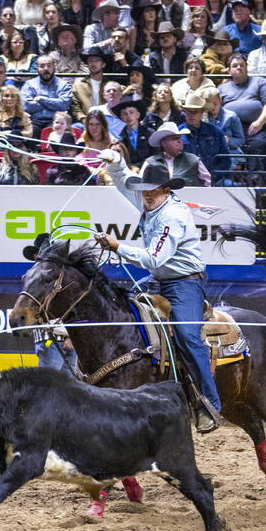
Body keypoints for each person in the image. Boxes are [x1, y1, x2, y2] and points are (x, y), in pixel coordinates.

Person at [96, 153, 223, 433]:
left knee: (189, 337)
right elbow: (122, 179)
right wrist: (115, 158)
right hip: (159, 280)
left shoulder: (173, 216)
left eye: (153, 191)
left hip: (184, 283)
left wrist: (117, 247)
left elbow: (154, 259)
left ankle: (209, 403)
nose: (146, 196)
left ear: (166, 190)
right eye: (144, 191)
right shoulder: (148, 196)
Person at [21, 54, 72, 134]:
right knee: (25, 134)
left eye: (49, 66)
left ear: (54, 67)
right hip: (33, 121)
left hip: (55, 122)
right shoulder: (29, 84)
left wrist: (41, 99)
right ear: (37, 68)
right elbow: (26, 106)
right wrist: (53, 104)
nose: (46, 69)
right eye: (42, 66)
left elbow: (64, 105)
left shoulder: (64, 85)